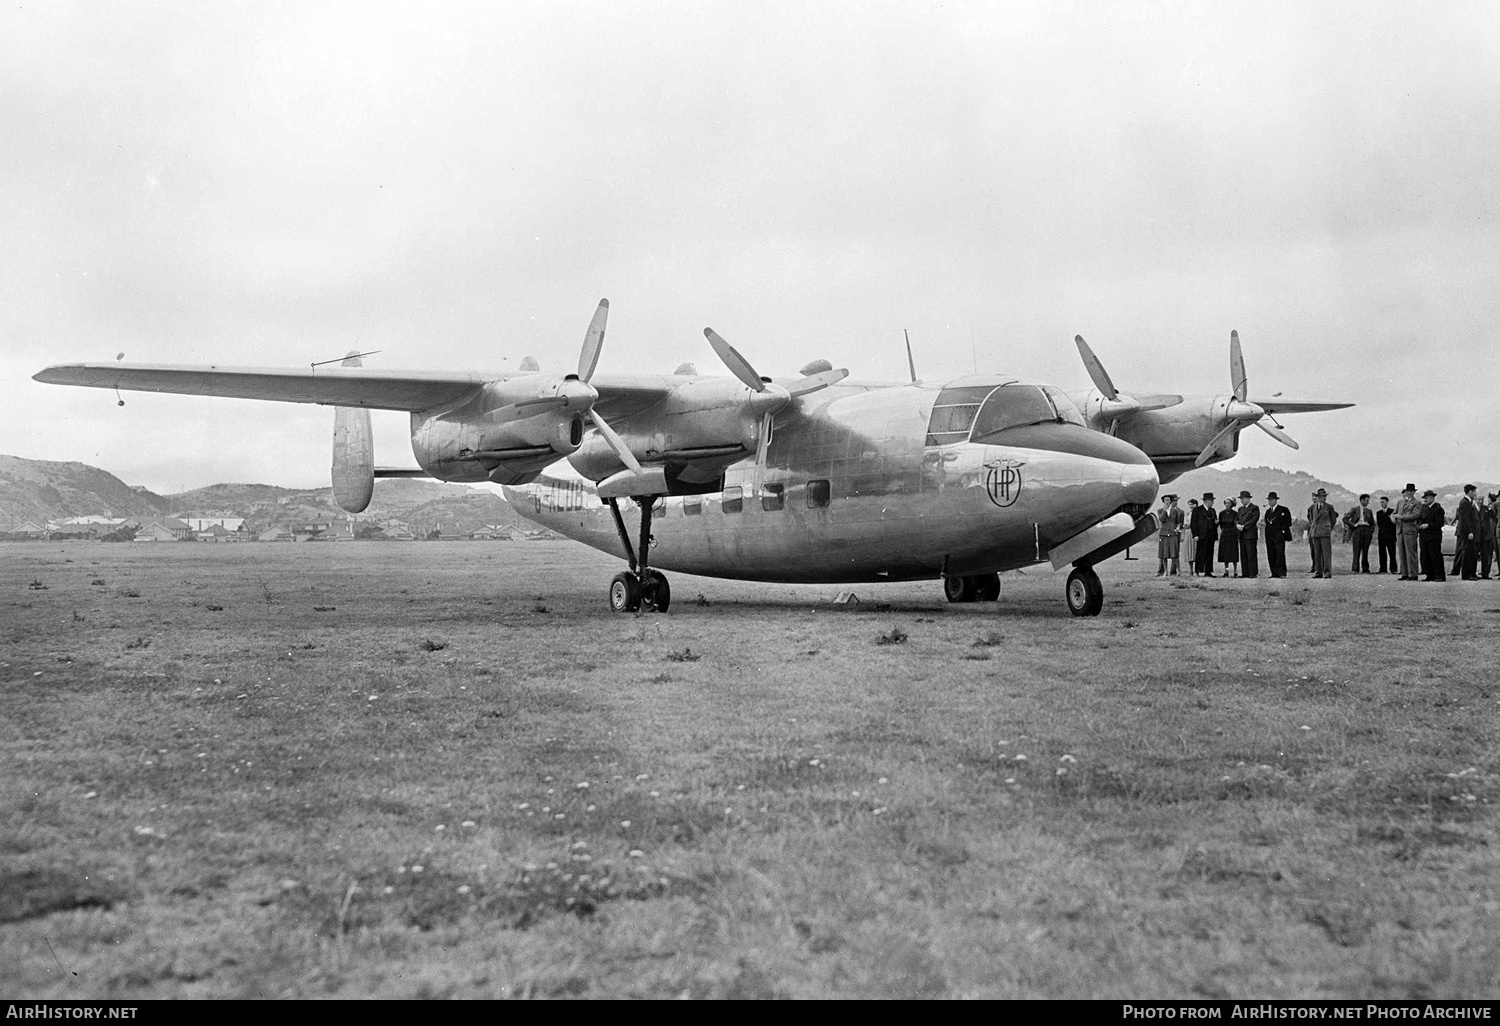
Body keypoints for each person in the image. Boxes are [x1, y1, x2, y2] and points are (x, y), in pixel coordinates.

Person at [1306, 488, 1338, 578]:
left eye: (1324, 496)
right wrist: (1313, 525)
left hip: (1325, 533)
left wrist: (1327, 528)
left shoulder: (1329, 507)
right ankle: (1318, 572)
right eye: (1321, 496)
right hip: (1315, 533)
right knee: (1317, 553)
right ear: (1317, 497)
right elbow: (1310, 517)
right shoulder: (1312, 507)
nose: (1323, 498)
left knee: (1326, 554)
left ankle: (1327, 572)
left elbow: (1333, 520)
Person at [1417, 489, 1447, 581]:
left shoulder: (1438, 509)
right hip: (1424, 536)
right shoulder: (1424, 509)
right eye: (1424, 498)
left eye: (1426, 498)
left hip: (1434, 537)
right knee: (1426, 556)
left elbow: (1439, 523)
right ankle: (1430, 575)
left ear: (1432, 498)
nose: (1425, 500)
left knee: (1435, 556)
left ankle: (1439, 575)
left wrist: (1428, 525)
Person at [1394, 483, 1422, 581]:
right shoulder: (1400, 502)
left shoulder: (1417, 503)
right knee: (1402, 553)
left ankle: (1413, 574)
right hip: (1400, 530)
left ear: (1414, 492)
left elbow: (1415, 515)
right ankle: (1405, 573)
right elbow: (1394, 513)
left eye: (1411, 491)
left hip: (1410, 530)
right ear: (1405, 492)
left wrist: (1400, 517)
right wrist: (1393, 518)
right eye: (1408, 491)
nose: (1409, 493)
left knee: (1411, 553)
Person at [1454, 484, 1480, 580]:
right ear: (1470, 492)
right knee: (1467, 553)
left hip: (1471, 532)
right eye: (1474, 492)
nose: (1475, 494)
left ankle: (1471, 573)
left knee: (1472, 552)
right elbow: (1465, 519)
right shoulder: (1464, 503)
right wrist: (1469, 531)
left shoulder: (1469, 502)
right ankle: (1466, 574)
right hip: (1467, 532)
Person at [1263, 491, 1292, 578]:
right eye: (1269, 500)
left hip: (1279, 535)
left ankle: (1282, 573)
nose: (1270, 501)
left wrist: (1282, 530)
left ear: (1276, 500)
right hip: (1270, 536)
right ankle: (1274, 572)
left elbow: (1288, 522)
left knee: (1280, 553)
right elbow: (1267, 522)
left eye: (1272, 500)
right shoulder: (1268, 512)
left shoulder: (1283, 510)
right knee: (1271, 554)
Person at [1345, 494, 1376, 573]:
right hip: (1358, 529)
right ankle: (1355, 568)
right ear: (1361, 500)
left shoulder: (1369, 511)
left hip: (1367, 530)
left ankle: (1365, 568)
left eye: (1368, 501)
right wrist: (1354, 525)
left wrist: (1370, 530)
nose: (1368, 502)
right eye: (1366, 500)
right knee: (1357, 550)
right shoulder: (1354, 509)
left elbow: (1372, 523)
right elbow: (1345, 519)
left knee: (1365, 550)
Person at [1156, 494, 1184, 576]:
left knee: (1174, 553)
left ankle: (1177, 571)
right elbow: (1162, 520)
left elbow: (1178, 522)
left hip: (1172, 533)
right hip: (1163, 533)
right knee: (1164, 554)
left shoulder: (1175, 511)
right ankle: (1165, 571)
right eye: (1165, 500)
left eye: (1168, 500)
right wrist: (1164, 511)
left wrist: (1178, 528)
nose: (1167, 502)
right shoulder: (1160, 511)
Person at [1235, 489, 1260, 578]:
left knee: (1251, 554)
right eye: (1241, 499)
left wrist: (1244, 526)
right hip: (1241, 534)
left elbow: (1254, 519)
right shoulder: (1240, 509)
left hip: (1250, 534)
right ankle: (1245, 572)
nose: (1241, 500)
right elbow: (1237, 518)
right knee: (1243, 554)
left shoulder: (1254, 508)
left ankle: (1253, 572)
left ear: (1248, 499)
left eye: (1243, 498)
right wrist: (1237, 524)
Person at [1193, 492, 1217, 577]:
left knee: (1209, 553)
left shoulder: (1213, 511)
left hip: (1211, 536)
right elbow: (1194, 523)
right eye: (1212, 501)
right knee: (1200, 553)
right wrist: (1195, 535)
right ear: (1207, 501)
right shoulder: (1197, 510)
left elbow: (1214, 522)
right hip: (1201, 535)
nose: (1213, 503)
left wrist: (1216, 523)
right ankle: (1197, 571)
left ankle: (1208, 571)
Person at [1218, 496, 1240, 577]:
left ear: (1232, 504)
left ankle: (1235, 571)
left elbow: (1236, 523)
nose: (1227, 505)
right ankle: (1226, 570)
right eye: (1225, 503)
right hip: (1224, 534)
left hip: (1233, 534)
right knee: (1225, 553)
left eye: (1228, 503)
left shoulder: (1235, 513)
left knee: (1234, 553)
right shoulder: (1221, 513)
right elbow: (1221, 524)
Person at [1375, 496, 1397, 574]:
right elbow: (1379, 524)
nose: (1382, 504)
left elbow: (1393, 524)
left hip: (1390, 535)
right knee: (1382, 553)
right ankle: (1383, 569)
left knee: (1392, 553)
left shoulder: (1392, 511)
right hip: (1382, 536)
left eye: (1383, 502)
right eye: (1381, 502)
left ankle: (1393, 569)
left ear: (1387, 502)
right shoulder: (1378, 513)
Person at [1481, 493, 1499, 580]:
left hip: (1491, 533)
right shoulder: (1489, 507)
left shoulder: (1491, 507)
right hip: (1493, 533)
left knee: (1489, 553)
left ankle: (1486, 572)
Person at [1185, 498, 1201, 574]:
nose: (1191, 506)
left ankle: (1197, 570)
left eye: (1192, 504)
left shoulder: (1198, 512)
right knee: (1189, 551)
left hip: (1195, 532)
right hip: (1188, 532)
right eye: (1190, 505)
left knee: (1195, 551)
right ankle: (1190, 570)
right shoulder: (1188, 513)